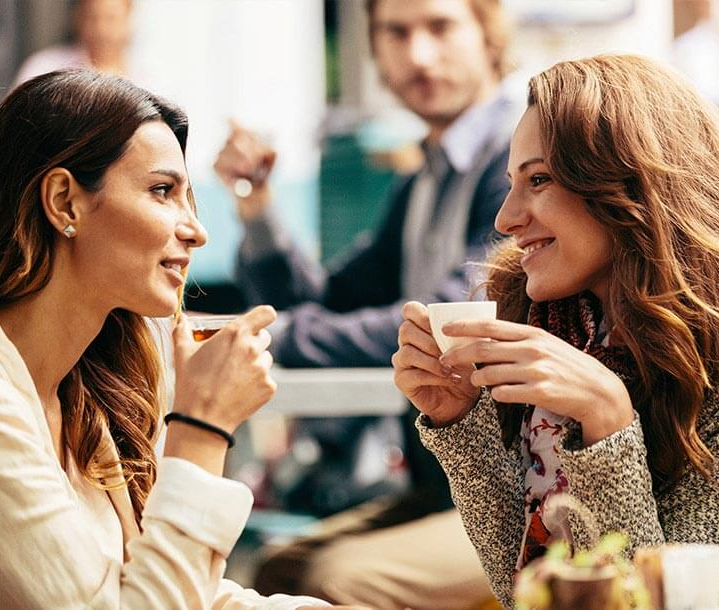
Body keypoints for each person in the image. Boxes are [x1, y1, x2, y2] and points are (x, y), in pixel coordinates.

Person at [0, 68, 368, 609]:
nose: (197, 229)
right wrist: (202, 427)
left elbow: (176, 590)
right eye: (162, 191)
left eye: (188, 196)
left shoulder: (87, 391)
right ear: (64, 202)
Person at [393, 54, 719, 610]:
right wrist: (459, 419)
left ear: (632, 186)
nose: (505, 218)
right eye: (511, 183)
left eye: (538, 180)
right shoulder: (559, 324)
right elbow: (524, 591)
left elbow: (672, 604)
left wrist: (608, 422)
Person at [214, 0, 523, 607]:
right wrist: (256, 206)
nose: (418, 54)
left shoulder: (520, 159)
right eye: (397, 33)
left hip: (519, 492)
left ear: (487, 33)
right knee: (277, 571)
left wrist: (272, 333)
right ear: (376, 51)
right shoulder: (423, 178)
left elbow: (443, 324)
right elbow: (325, 298)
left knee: (337, 583)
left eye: (439, 27)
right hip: (440, 489)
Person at [15, 0, 136, 84]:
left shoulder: (148, 78)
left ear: (128, 19)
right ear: (78, 18)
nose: (101, 29)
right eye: (93, 18)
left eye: (111, 18)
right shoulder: (43, 67)